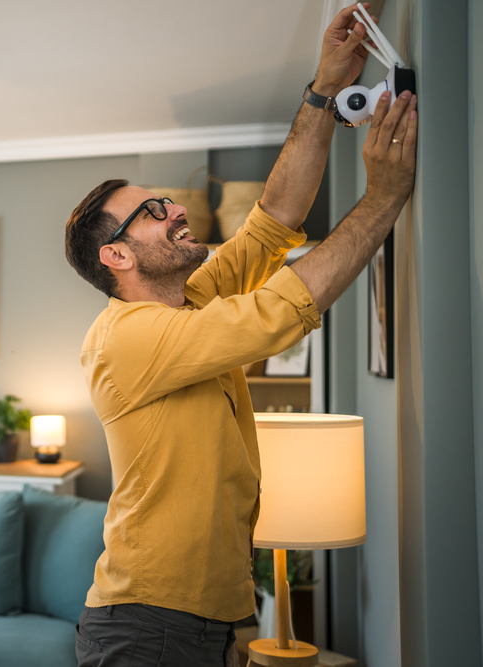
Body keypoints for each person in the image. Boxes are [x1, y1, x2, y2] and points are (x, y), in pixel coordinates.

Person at [64, 5, 417, 666]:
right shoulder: (124, 338)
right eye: (149, 211)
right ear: (115, 256)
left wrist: (323, 88)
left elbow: (273, 221)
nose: (173, 208)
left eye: (163, 199)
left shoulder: (192, 299)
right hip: (148, 624)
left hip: (207, 619)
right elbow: (276, 312)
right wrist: (383, 198)